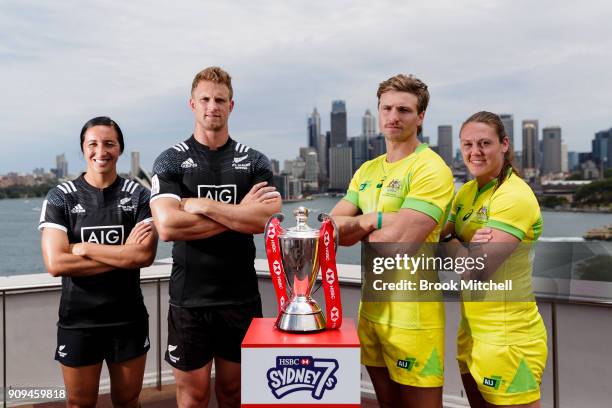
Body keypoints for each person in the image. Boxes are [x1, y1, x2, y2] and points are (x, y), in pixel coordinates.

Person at [150, 66, 281, 408]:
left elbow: (265, 220)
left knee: (234, 394)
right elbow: (168, 227)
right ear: (192, 104)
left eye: (220, 100)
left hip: (239, 297)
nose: (213, 106)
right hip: (189, 300)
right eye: (205, 99)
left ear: (231, 106)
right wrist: (239, 214)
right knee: (193, 396)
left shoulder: (254, 161)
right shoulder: (170, 161)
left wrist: (202, 205)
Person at [331, 74, 454, 408]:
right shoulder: (367, 171)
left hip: (414, 316)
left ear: (421, 117)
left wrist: (367, 222)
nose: (393, 116)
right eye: (387, 108)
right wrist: (377, 221)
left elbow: (399, 245)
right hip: (373, 312)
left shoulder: (431, 169)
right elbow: (331, 230)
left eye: (404, 109)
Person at [39, 116, 158, 408]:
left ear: (119, 149)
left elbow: (143, 256)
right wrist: (123, 254)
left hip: (127, 319)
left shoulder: (140, 196)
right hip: (79, 321)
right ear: (83, 148)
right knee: (80, 403)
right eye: (93, 144)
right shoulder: (60, 198)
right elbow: (56, 263)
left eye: (109, 144)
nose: (100, 151)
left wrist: (82, 248)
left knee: (128, 401)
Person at [442, 111, 547, 407]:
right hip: (472, 335)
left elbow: (476, 271)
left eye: (484, 143)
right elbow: (434, 235)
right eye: (467, 145)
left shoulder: (514, 196)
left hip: (509, 338)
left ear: (504, 144)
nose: (475, 152)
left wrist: (454, 246)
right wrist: (459, 245)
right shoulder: (466, 192)